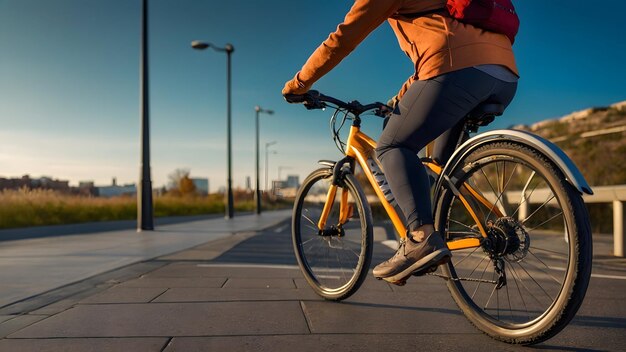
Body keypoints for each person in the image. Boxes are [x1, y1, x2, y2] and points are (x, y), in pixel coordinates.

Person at [282, 0, 519, 285]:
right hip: (504, 73)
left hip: (457, 69)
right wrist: (399, 99)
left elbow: (343, 39)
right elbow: (441, 44)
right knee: (438, 169)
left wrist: (299, 84)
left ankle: (420, 237)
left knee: (391, 147)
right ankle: (475, 227)